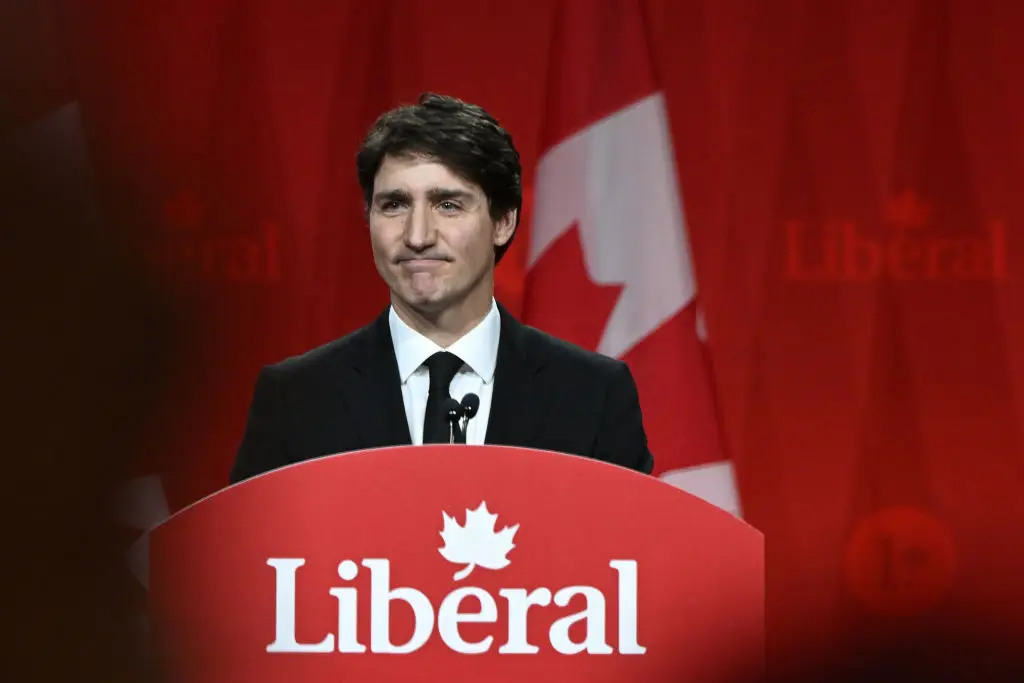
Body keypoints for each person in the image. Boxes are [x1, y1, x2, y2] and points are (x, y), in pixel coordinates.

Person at [229, 92, 654, 484]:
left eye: (447, 205)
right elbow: (256, 562)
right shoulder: (297, 400)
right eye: (394, 205)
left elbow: (630, 557)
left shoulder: (591, 396)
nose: (417, 235)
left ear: (503, 221)